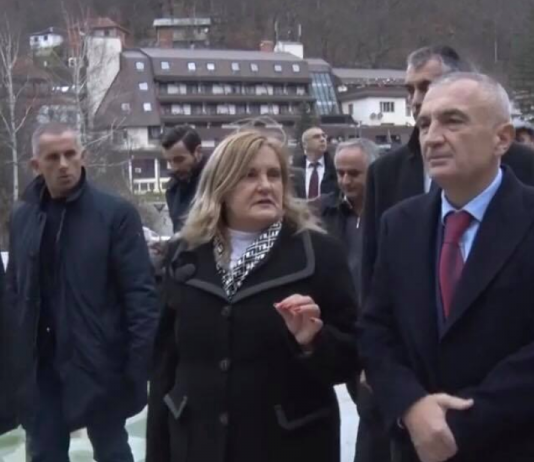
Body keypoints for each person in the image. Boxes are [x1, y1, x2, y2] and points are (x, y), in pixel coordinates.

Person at [357, 46, 534, 462]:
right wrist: (411, 406)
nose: (432, 137)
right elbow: (375, 330)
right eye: (424, 123)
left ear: (502, 138)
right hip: (416, 446)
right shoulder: (400, 224)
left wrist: (460, 422)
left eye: (453, 121)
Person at [146, 130, 360, 462]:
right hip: (196, 445)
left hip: (289, 447)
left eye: (274, 175)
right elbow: (165, 366)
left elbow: (352, 358)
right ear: (221, 185)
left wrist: (312, 341)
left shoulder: (319, 253)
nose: (265, 185)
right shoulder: (184, 253)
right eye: (249, 175)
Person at [5, 122, 159, 462]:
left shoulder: (115, 215)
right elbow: (15, 291)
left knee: (112, 451)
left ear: (83, 157)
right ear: (36, 165)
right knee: (44, 453)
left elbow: (141, 296)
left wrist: (137, 367)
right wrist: (15, 363)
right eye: (53, 157)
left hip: (101, 364)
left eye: (70, 154)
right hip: (41, 370)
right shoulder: (23, 217)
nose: (64, 165)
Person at [161, 125, 206, 233]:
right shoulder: (172, 190)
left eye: (179, 160)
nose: (174, 168)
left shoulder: (218, 184)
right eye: (169, 161)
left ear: (198, 152)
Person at [293, 127, 339, 200]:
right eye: (316, 137)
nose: (322, 139)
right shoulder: (295, 170)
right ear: (305, 145)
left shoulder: (335, 167)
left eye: (324, 136)